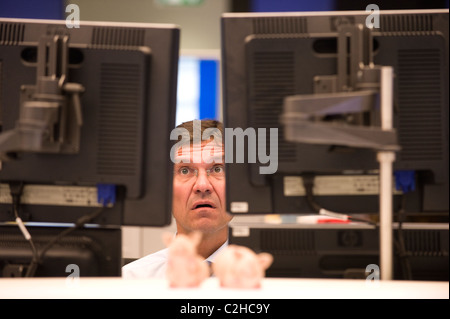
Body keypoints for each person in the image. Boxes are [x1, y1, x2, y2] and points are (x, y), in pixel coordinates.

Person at [122, 119, 232, 279]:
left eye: (217, 168)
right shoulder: (132, 281)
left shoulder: (274, 282)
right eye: (185, 170)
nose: (202, 185)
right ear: (164, 190)